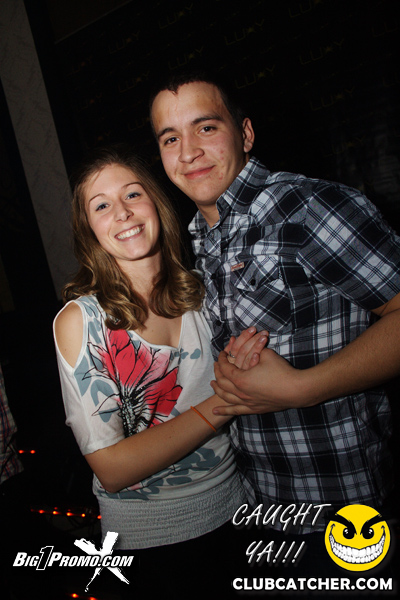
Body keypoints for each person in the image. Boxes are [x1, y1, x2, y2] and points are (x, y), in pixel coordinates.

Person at [149, 70, 400, 577]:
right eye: (170, 138)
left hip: (346, 509)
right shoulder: (192, 241)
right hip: (256, 506)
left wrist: (303, 388)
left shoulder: (308, 207)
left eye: (206, 127)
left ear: (244, 134)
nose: (188, 152)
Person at [53, 145, 267, 598]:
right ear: (89, 230)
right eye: (102, 206)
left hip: (239, 511)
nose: (123, 212)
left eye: (133, 194)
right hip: (148, 541)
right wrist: (227, 400)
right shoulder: (82, 322)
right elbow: (112, 468)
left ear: (156, 204)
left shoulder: (205, 293)